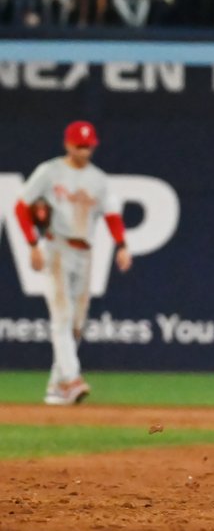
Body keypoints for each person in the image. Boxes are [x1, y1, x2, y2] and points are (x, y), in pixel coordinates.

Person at [12, 122, 132, 406]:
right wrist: (32, 244)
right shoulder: (50, 171)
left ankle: (57, 388)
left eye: (88, 145)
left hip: (85, 253)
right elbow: (21, 207)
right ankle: (72, 378)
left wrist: (122, 244)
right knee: (62, 317)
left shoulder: (98, 179)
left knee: (76, 324)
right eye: (79, 145)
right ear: (67, 144)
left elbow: (112, 214)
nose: (85, 150)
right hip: (57, 247)